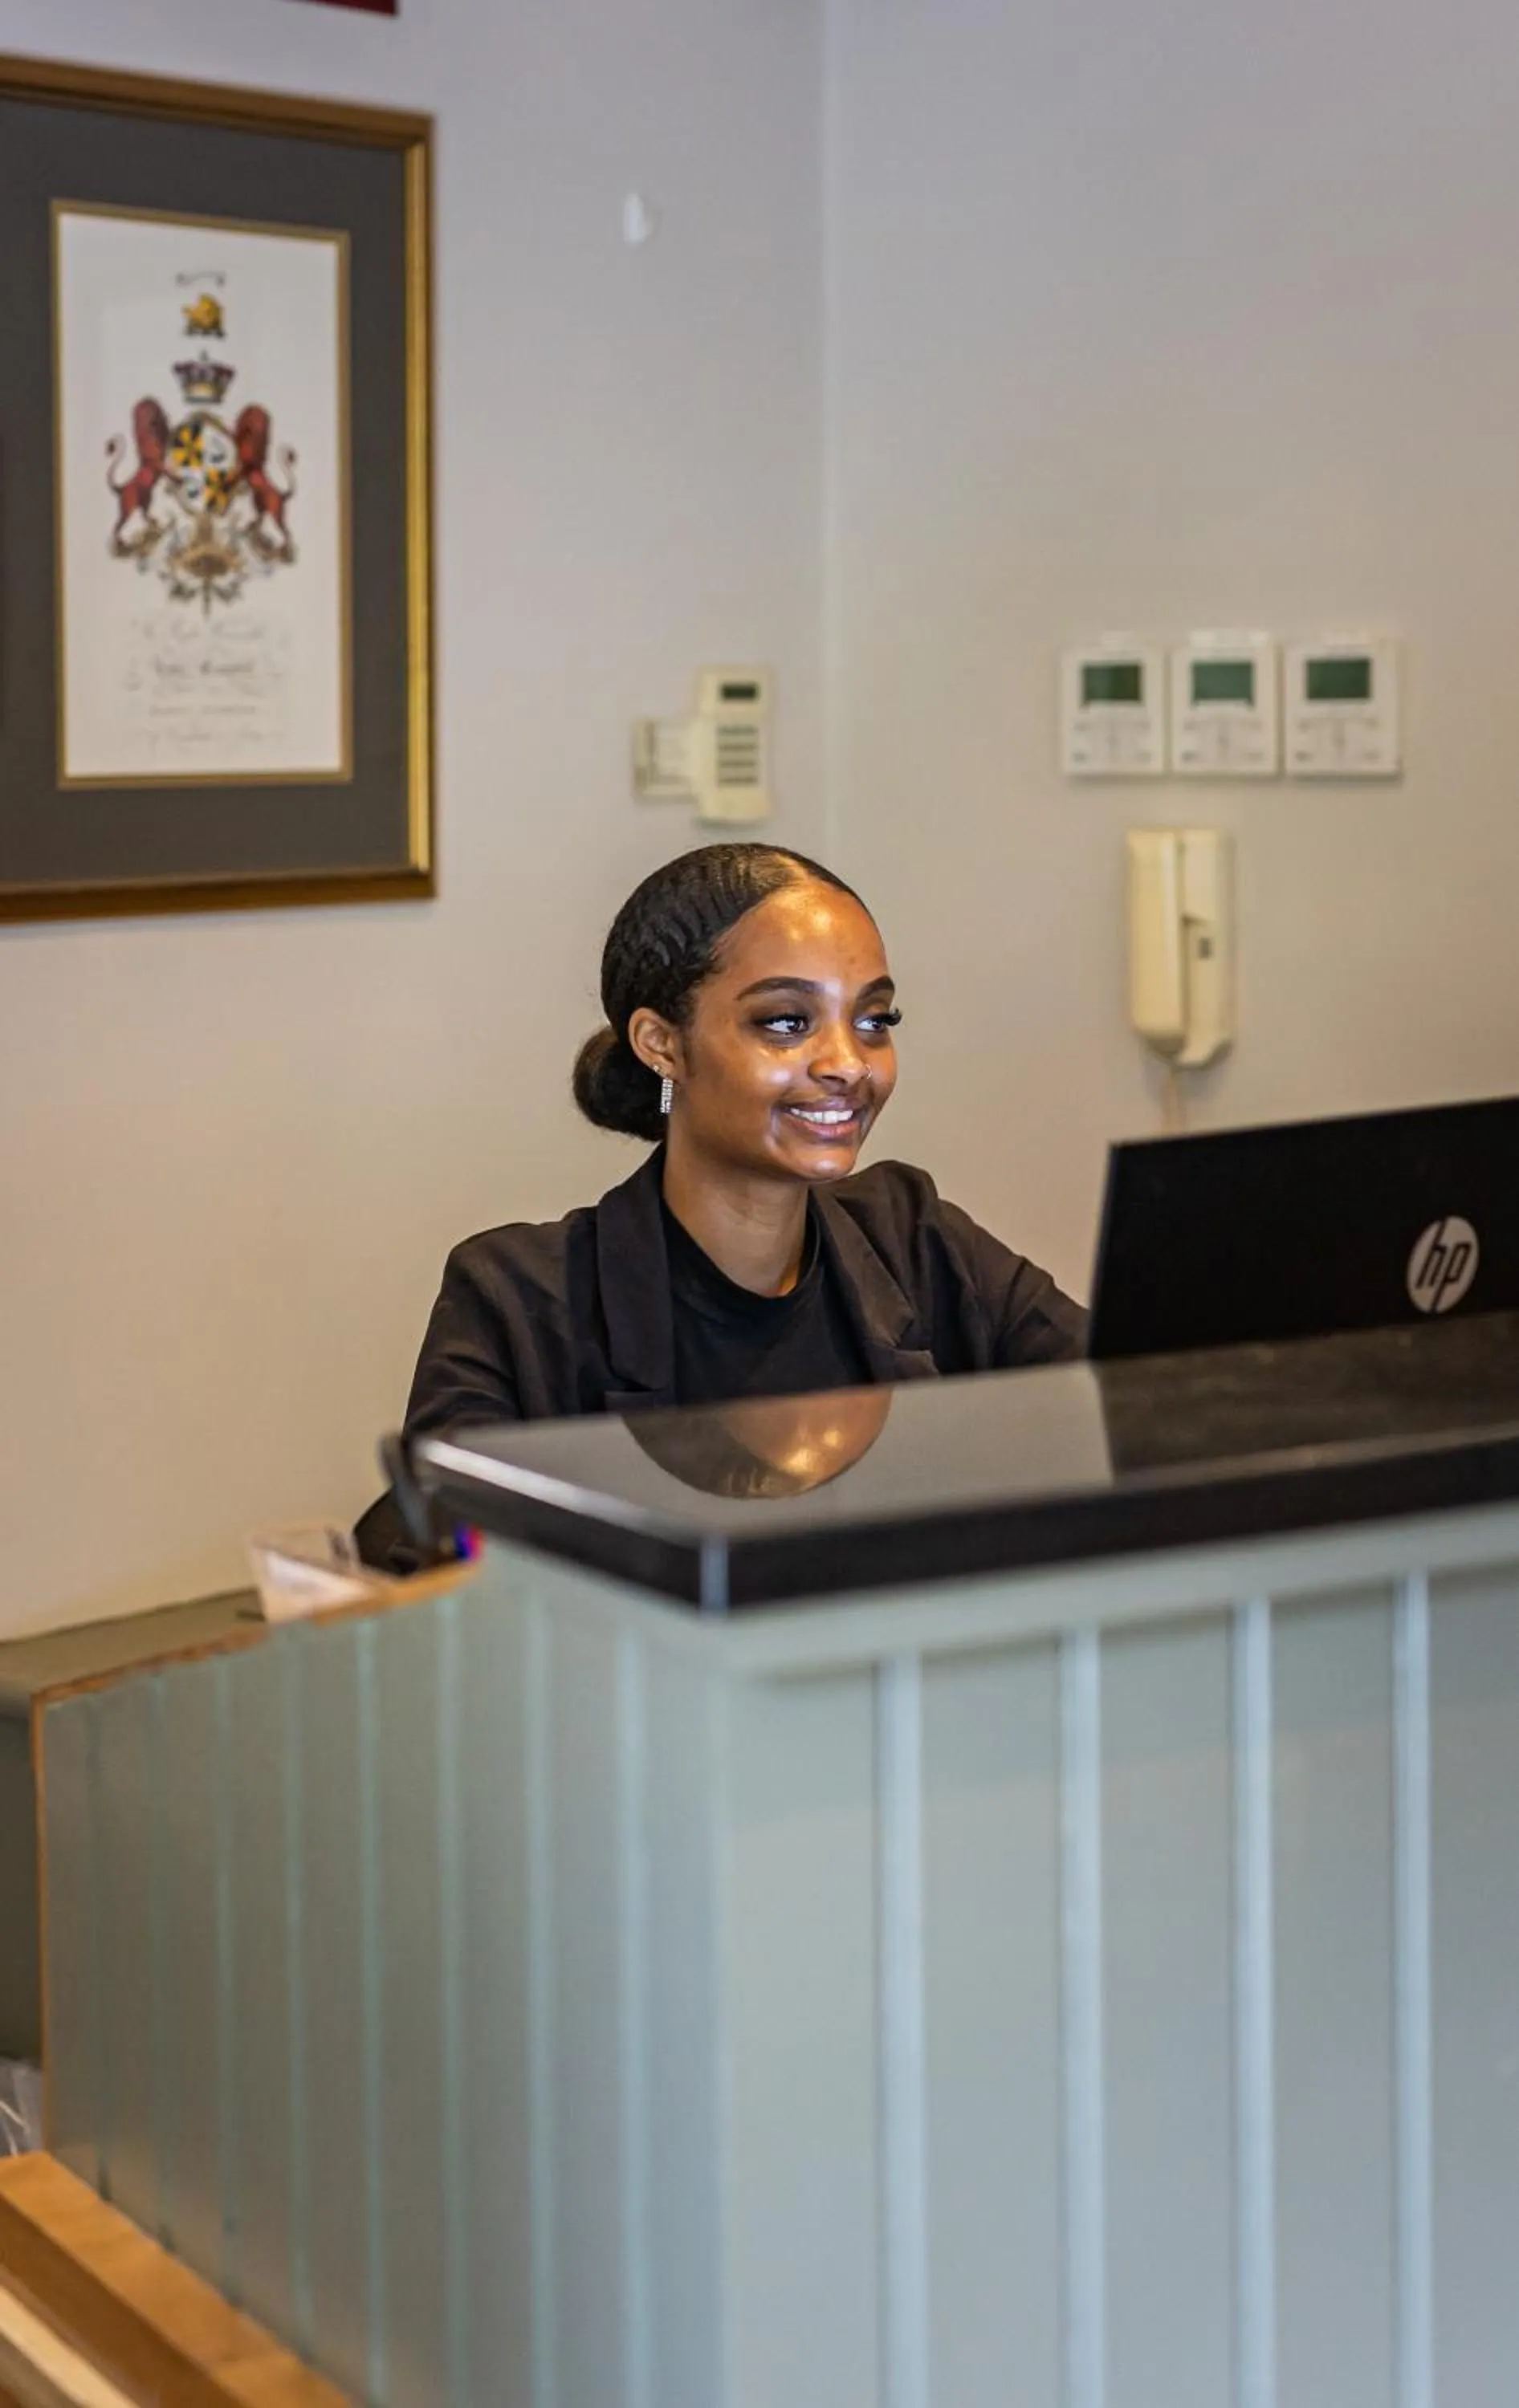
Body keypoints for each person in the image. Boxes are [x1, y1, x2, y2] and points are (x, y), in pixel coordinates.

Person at [400, 842, 1085, 1450]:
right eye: (787, 1022)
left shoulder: (916, 1237)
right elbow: (453, 1564)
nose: (849, 1062)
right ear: (661, 1044)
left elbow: (1131, 1402)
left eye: (874, 1019)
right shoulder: (517, 1300)